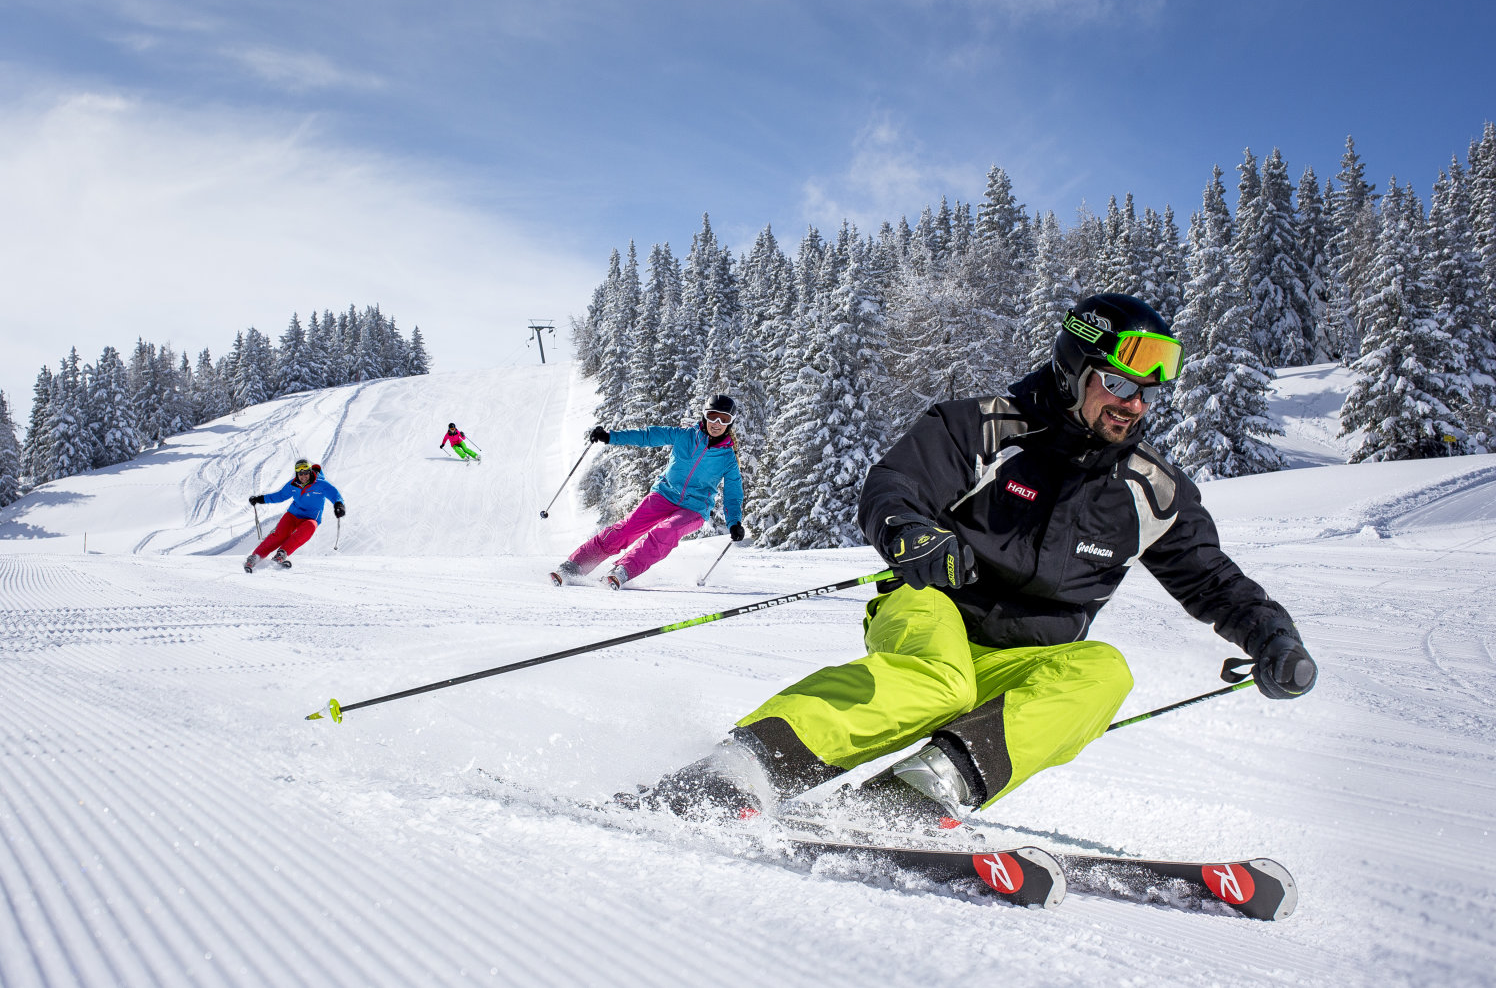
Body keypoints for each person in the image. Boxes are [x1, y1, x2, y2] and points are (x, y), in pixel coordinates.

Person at [626, 294, 1317, 819]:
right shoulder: (986, 427)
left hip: (1024, 652)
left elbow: (1213, 579)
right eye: (1122, 384)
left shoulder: (1148, 488)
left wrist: (1271, 633)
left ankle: (927, 788)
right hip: (933, 608)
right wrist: (914, 536)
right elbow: (894, 485)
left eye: (1148, 393)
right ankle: (748, 762)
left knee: (1105, 672)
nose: (1136, 406)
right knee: (942, 679)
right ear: (1078, 371)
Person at [553, 394, 745, 590]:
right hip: (664, 495)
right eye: (713, 416)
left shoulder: (728, 459)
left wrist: (734, 522)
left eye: (724, 419)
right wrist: (610, 436)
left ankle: (623, 570)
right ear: (704, 416)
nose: (717, 423)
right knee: (626, 528)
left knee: (667, 531)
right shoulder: (684, 435)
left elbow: (733, 494)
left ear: (730, 423)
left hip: (694, 508)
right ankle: (575, 565)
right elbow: (648, 436)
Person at [245, 458, 346, 572]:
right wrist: (260, 499)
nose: (303, 476)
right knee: (280, 534)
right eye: (300, 473)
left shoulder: (320, 484)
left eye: (306, 473)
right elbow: (280, 496)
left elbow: (335, 495)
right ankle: (255, 556)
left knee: (309, 528)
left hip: (310, 518)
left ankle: (281, 554)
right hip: (293, 515)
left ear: (310, 472)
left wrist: (339, 505)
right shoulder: (293, 484)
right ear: (297, 474)